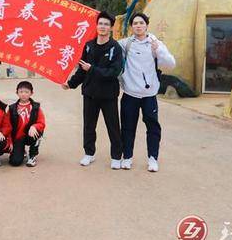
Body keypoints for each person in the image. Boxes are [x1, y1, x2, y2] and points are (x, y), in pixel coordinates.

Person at [62, 11, 124, 169]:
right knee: (89, 126)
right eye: (100, 23)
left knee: (113, 126)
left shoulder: (115, 48)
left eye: (106, 24)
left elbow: (114, 72)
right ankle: (89, 153)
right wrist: (71, 84)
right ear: (96, 26)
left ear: (111, 28)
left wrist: (92, 69)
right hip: (90, 93)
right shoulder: (88, 46)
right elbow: (82, 70)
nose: (103, 27)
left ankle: (116, 156)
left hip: (108, 94)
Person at [118, 12, 175, 172]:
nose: (138, 26)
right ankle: (127, 157)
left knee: (153, 127)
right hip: (130, 94)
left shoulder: (155, 43)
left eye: (141, 23)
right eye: (135, 23)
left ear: (147, 25)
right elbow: (109, 48)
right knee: (127, 127)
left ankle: (153, 158)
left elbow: (171, 64)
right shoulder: (125, 44)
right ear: (131, 26)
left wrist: (159, 51)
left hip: (149, 96)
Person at [8, 81, 46, 167]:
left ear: (31, 93)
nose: (23, 94)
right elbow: (8, 125)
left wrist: (34, 126)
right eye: (21, 92)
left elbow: (42, 123)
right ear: (17, 92)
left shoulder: (35, 107)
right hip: (18, 137)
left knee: (38, 131)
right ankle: (21, 151)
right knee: (15, 162)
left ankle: (33, 155)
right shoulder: (12, 108)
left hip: (30, 134)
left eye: (26, 92)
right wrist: (9, 140)